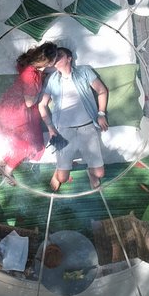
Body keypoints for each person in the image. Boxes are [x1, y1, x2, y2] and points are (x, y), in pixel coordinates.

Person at [38, 47, 109, 191]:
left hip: (87, 127)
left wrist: (101, 114)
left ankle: (91, 173)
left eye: (60, 56)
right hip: (63, 130)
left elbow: (102, 91)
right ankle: (59, 171)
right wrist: (51, 128)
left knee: (100, 173)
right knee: (62, 178)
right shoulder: (52, 79)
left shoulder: (84, 71)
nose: (56, 59)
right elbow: (42, 105)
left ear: (69, 58)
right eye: (54, 57)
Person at [0, 42, 58, 185]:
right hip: (16, 110)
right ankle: (6, 172)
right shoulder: (31, 75)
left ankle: (4, 162)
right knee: (26, 146)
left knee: (23, 142)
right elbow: (29, 102)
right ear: (50, 61)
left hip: (12, 103)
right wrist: (41, 92)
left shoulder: (30, 66)